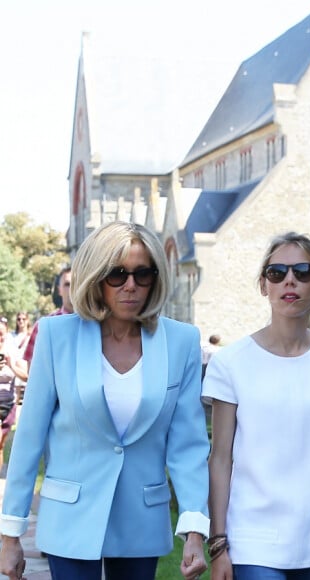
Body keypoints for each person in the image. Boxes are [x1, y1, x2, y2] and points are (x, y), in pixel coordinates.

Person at [0, 221, 210, 580]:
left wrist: (194, 529)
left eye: (142, 274)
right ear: (96, 277)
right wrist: (10, 534)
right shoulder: (56, 336)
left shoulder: (181, 342)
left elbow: (188, 445)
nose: (131, 285)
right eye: (117, 274)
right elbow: (30, 437)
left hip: (142, 518)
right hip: (70, 516)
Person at [202, 232, 310, 580]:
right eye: (277, 272)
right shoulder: (231, 363)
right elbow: (220, 457)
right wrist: (219, 542)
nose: (290, 280)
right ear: (264, 285)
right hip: (253, 538)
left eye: (302, 271)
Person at [22, 266, 74, 374]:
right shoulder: (43, 326)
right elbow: (32, 372)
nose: (72, 288)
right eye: (67, 284)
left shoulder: (96, 323)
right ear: (59, 289)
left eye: (77, 283)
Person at [0, 317, 18, 476]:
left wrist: (11, 365)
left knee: (1, 444)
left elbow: (25, 375)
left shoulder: (12, 350)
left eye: (2, 334)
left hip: (8, 403)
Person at [9, 312, 30, 405]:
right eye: (19, 319)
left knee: (26, 400)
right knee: (15, 400)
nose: (21, 321)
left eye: (23, 319)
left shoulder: (31, 335)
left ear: (27, 320)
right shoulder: (11, 335)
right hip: (13, 370)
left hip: (26, 370)